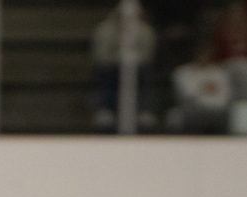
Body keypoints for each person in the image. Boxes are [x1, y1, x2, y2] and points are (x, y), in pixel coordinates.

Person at [91, 1, 159, 130]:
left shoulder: (145, 31)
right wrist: (119, 59)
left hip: (138, 68)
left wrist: (132, 59)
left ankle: (144, 110)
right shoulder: (104, 30)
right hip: (111, 68)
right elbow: (100, 55)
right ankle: (106, 109)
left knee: (144, 73)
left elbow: (148, 55)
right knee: (106, 73)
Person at [169, 41, 232, 132]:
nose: (204, 57)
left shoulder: (220, 72)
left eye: (207, 54)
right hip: (192, 112)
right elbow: (187, 95)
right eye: (201, 54)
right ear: (195, 55)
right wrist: (207, 88)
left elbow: (225, 96)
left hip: (217, 112)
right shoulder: (182, 72)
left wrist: (201, 89)